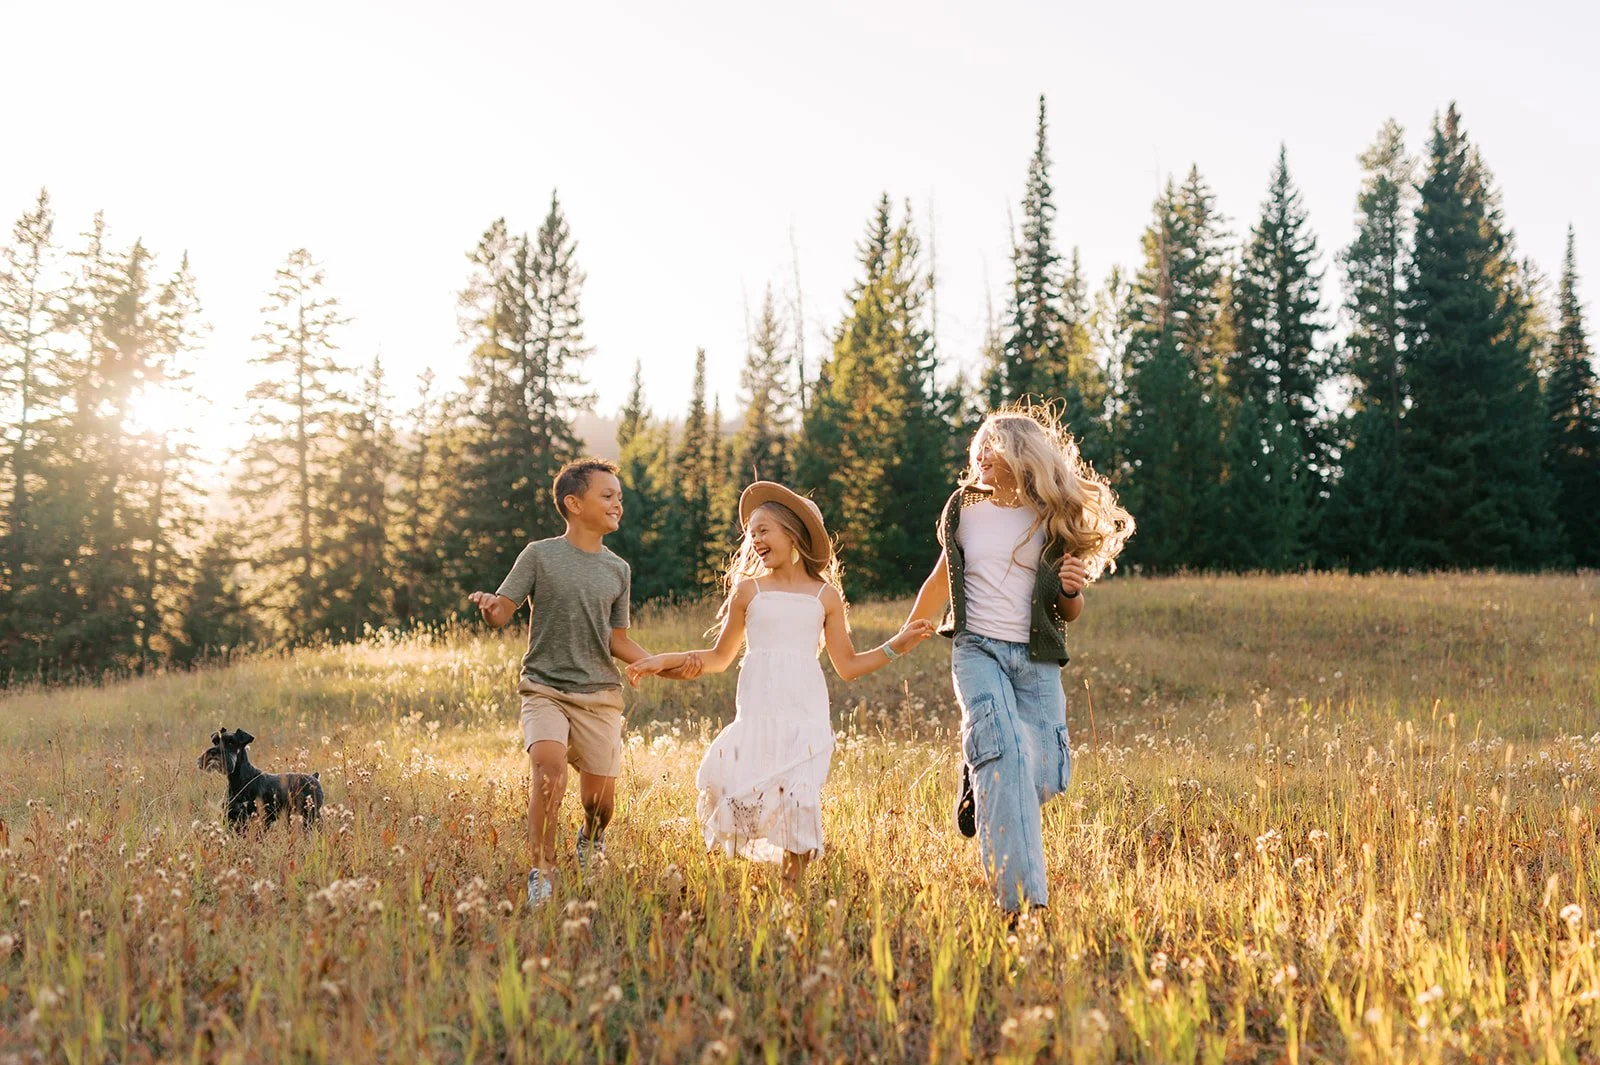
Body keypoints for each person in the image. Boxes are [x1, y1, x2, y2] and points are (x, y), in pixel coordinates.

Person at [628, 481, 935, 886]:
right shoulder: (748, 592)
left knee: (799, 802)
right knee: (745, 797)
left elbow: (848, 665)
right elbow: (718, 659)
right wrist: (662, 662)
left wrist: (897, 645)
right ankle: (744, 888)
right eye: (750, 533)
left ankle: (791, 895)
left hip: (805, 718)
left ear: (792, 534)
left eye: (763, 530)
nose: (754, 539)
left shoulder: (825, 597)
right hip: (758, 717)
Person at [905, 407, 1134, 916]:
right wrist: (907, 631)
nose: (981, 455)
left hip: (1036, 659)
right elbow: (941, 578)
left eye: (993, 445)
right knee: (1005, 758)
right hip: (977, 649)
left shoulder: (1052, 518)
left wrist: (1073, 589)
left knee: (1046, 774)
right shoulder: (964, 509)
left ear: (1021, 454)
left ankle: (975, 768)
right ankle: (1022, 906)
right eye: (978, 446)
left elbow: (1067, 608)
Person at [469, 458, 701, 907]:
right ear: (574, 504)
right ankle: (543, 870)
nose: (617, 503)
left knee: (600, 805)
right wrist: (489, 605)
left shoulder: (618, 570)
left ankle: (590, 839)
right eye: (607, 495)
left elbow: (618, 640)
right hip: (544, 687)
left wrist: (660, 664)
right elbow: (503, 611)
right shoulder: (539, 554)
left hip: (599, 694)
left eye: (619, 497)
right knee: (548, 770)